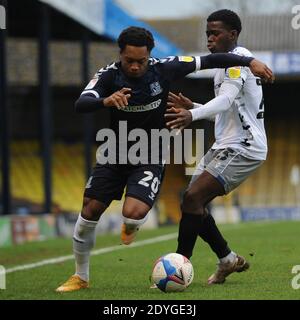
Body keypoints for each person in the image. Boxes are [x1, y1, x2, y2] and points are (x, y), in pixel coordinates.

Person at [56, 26, 274, 292]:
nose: (135, 67)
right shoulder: (108, 75)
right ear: (120, 54)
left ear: (150, 56)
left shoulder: (165, 68)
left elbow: (212, 60)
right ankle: (81, 277)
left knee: (134, 215)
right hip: (114, 151)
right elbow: (82, 103)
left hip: (150, 152)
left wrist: (249, 61)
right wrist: (105, 101)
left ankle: (134, 228)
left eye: (141, 61)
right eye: (129, 61)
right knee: (89, 211)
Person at [165, 9, 271, 285]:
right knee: (191, 202)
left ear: (232, 34)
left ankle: (178, 270)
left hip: (244, 146)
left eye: (215, 33)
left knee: (192, 199)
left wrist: (191, 116)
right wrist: (195, 107)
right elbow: (226, 110)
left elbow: (224, 102)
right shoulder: (225, 66)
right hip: (225, 144)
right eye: (207, 33)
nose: (209, 39)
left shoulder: (237, 62)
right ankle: (227, 259)